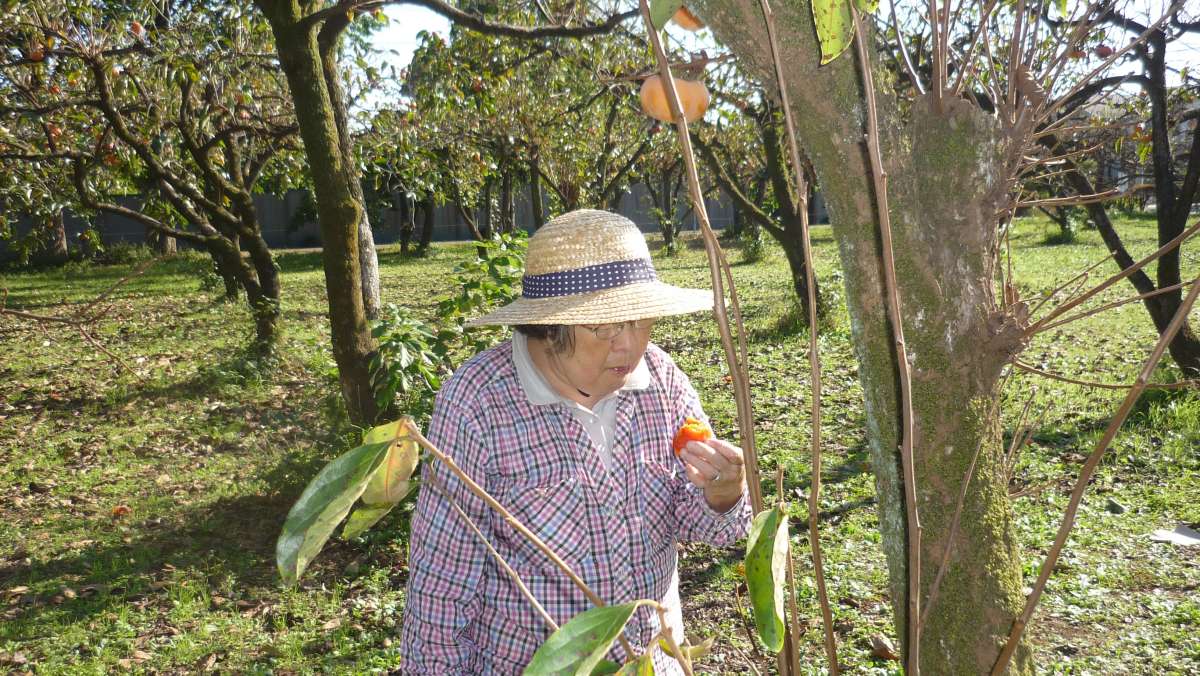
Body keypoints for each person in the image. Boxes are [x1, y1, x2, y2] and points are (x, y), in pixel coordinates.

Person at [400, 209, 751, 674]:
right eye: (605, 327)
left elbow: (708, 526)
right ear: (548, 326)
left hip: (651, 662)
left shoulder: (662, 382)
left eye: (640, 320)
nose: (629, 346)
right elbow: (442, 583)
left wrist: (723, 494)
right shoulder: (480, 402)